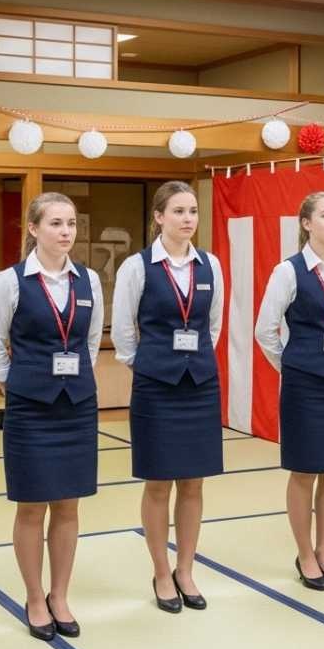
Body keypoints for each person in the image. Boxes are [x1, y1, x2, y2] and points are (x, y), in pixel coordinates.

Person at [0, 191, 103, 641]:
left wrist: (73, 378)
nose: (66, 231)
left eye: (71, 223)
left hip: (77, 406)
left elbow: (90, 343)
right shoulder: (10, 281)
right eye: (55, 223)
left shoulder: (89, 280)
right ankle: (35, 597)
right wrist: (15, 385)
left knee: (69, 504)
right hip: (30, 407)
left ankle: (60, 595)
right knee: (32, 505)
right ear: (33, 229)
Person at [112, 181, 223, 613]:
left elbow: (212, 326)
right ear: (158, 217)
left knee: (193, 482)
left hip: (200, 385)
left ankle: (186, 569)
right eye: (178, 211)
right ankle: (161, 571)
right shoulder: (137, 267)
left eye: (192, 211)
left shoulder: (210, 265)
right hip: (156, 386)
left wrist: (193, 361)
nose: (187, 219)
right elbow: (124, 331)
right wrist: (150, 366)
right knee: (158, 482)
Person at [255, 191, 324, 590]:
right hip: (305, 383)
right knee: (304, 470)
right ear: (306, 224)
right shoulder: (288, 272)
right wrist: (294, 365)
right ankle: (304, 553)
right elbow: (265, 330)